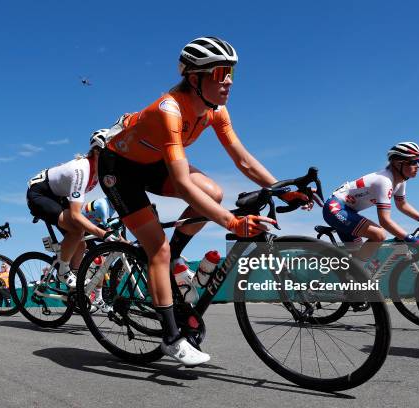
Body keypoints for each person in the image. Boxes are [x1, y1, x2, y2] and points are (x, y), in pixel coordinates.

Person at [98, 36, 310, 366]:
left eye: (232, 73)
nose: (227, 81)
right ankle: (171, 337)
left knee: (213, 192)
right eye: (220, 72)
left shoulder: (215, 111)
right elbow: (182, 184)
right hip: (119, 170)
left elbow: (243, 160)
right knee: (158, 248)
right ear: (195, 78)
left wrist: (282, 188)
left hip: (152, 165)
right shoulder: (170, 109)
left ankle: (171, 261)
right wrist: (233, 223)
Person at [26, 129, 120, 290]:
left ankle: (73, 288)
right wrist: (104, 234)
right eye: (111, 154)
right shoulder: (82, 169)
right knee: (77, 230)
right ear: (97, 152)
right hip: (39, 193)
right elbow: (76, 215)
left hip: (56, 195)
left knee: (81, 243)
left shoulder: (98, 172)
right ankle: (63, 272)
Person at [322, 142, 419, 267]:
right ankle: (356, 275)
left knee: (358, 256)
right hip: (335, 208)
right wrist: (410, 239)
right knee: (379, 235)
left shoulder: (399, 182)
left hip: (348, 212)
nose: (418, 166)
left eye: (418, 161)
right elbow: (385, 221)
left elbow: (402, 205)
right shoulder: (384, 181)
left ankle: (347, 279)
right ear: (398, 163)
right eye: (413, 162)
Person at [82, 196, 117, 312]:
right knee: (101, 261)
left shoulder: (113, 206)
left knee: (102, 264)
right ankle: (94, 295)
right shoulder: (103, 205)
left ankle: (98, 298)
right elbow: (107, 227)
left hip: (92, 227)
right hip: (81, 229)